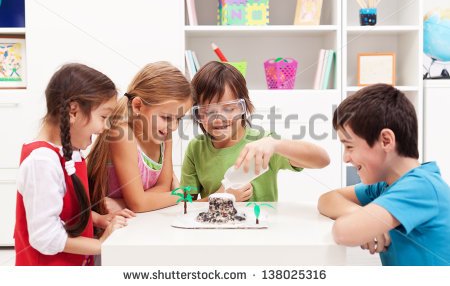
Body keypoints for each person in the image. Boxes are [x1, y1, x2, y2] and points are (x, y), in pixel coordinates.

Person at [318, 84, 450, 266]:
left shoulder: (421, 187)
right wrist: (360, 213)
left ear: (386, 141)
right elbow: (327, 199)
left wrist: (364, 221)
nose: (346, 158)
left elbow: (343, 232)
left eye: (349, 146)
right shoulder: (386, 187)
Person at [15, 63, 132, 266]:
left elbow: (67, 211)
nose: (105, 127)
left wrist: (98, 219)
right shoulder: (42, 162)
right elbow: (45, 237)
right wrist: (100, 244)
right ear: (73, 111)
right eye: (103, 117)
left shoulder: (71, 153)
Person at [180, 61, 330, 202]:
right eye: (208, 111)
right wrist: (221, 197)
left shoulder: (264, 143)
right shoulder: (196, 148)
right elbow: (185, 205)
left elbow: (322, 160)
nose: (219, 118)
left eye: (229, 108)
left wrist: (275, 144)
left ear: (244, 107)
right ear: (198, 114)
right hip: (217, 229)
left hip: (262, 228)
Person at [88, 61, 192, 214]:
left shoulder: (165, 136)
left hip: (135, 219)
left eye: (179, 118)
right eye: (166, 117)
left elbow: (163, 187)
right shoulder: (123, 135)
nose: (174, 127)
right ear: (138, 106)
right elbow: (139, 204)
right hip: (107, 225)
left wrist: (125, 203)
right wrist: (181, 195)